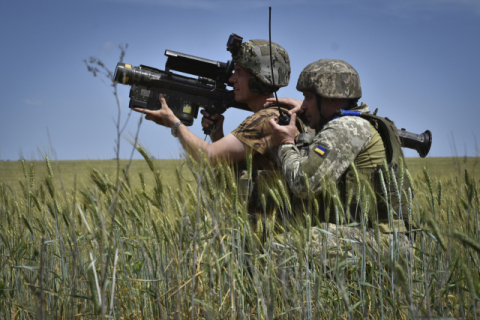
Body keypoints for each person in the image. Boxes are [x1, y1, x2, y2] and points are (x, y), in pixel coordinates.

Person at [268, 59, 413, 264]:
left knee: (280, 248)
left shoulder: (345, 127)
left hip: (379, 242)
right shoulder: (357, 122)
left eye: (308, 98)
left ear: (332, 99)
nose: (303, 105)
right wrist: (308, 116)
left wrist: (285, 143)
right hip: (378, 238)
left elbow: (303, 184)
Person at [133, 39, 302, 173]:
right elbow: (228, 168)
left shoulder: (267, 120)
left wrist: (174, 123)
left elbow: (209, 157)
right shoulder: (274, 116)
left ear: (259, 80)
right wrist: (216, 135)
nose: (231, 79)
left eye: (240, 73)